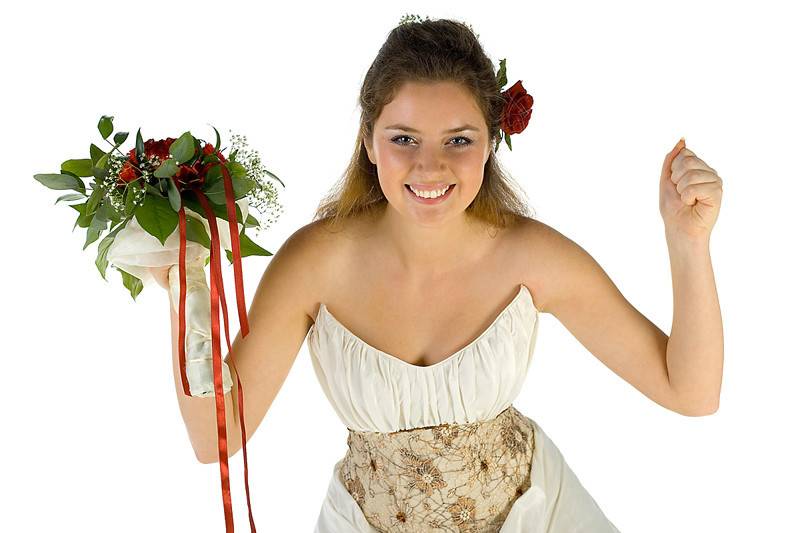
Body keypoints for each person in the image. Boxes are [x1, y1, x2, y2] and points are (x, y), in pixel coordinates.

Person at [152, 16, 723, 533]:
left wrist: (687, 240)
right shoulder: (313, 264)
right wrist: (186, 284)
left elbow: (690, 391)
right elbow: (215, 438)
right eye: (404, 139)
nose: (431, 167)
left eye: (459, 140)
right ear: (369, 141)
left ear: (491, 142)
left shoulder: (532, 256)